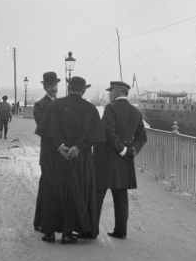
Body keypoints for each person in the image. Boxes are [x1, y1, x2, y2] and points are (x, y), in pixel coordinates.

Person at [36, 76, 104, 244]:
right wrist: (78, 147)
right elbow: (96, 136)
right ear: (83, 90)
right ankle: (68, 232)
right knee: (77, 192)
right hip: (80, 159)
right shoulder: (90, 109)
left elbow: (45, 132)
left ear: (68, 87)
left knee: (54, 192)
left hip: (56, 157)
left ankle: (49, 232)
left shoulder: (55, 105)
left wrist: (60, 147)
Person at [94, 81, 147, 240]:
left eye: (110, 91)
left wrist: (121, 150)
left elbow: (108, 133)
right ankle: (121, 231)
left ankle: (91, 230)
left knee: (97, 195)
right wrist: (132, 150)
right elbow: (142, 137)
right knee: (121, 197)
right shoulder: (136, 112)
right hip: (124, 162)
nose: (109, 94)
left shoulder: (110, 108)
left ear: (117, 92)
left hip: (106, 160)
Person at [33, 71, 61, 233]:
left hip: (61, 152)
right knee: (46, 187)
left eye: (55, 85)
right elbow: (44, 128)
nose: (53, 88)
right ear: (45, 87)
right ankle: (40, 222)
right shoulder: (39, 105)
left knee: (57, 188)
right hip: (49, 153)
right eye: (50, 86)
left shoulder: (62, 103)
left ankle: (55, 222)